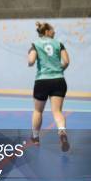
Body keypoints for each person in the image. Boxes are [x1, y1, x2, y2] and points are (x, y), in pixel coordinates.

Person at [28, 22, 70, 151]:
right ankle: (62, 131)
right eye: (52, 30)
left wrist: (31, 58)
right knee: (57, 111)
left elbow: (31, 61)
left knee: (38, 111)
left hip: (42, 81)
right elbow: (66, 61)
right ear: (46, 31)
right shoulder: (59, 44)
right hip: (58, 80)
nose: (54, 32)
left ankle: (35, 137)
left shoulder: (35, 44)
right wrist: (58, 69)